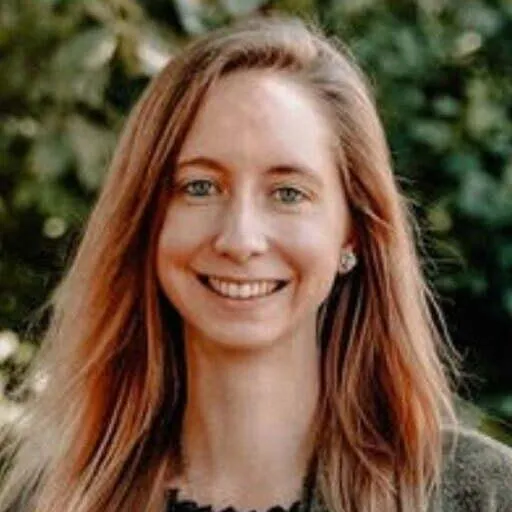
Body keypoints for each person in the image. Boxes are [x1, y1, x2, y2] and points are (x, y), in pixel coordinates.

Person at [0, 15, 511, 512]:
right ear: (144, 221)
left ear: (352, 230)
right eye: (199, 187)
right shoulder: (55, 498)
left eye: (288, 192)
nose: (240, 239)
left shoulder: (480, 494)